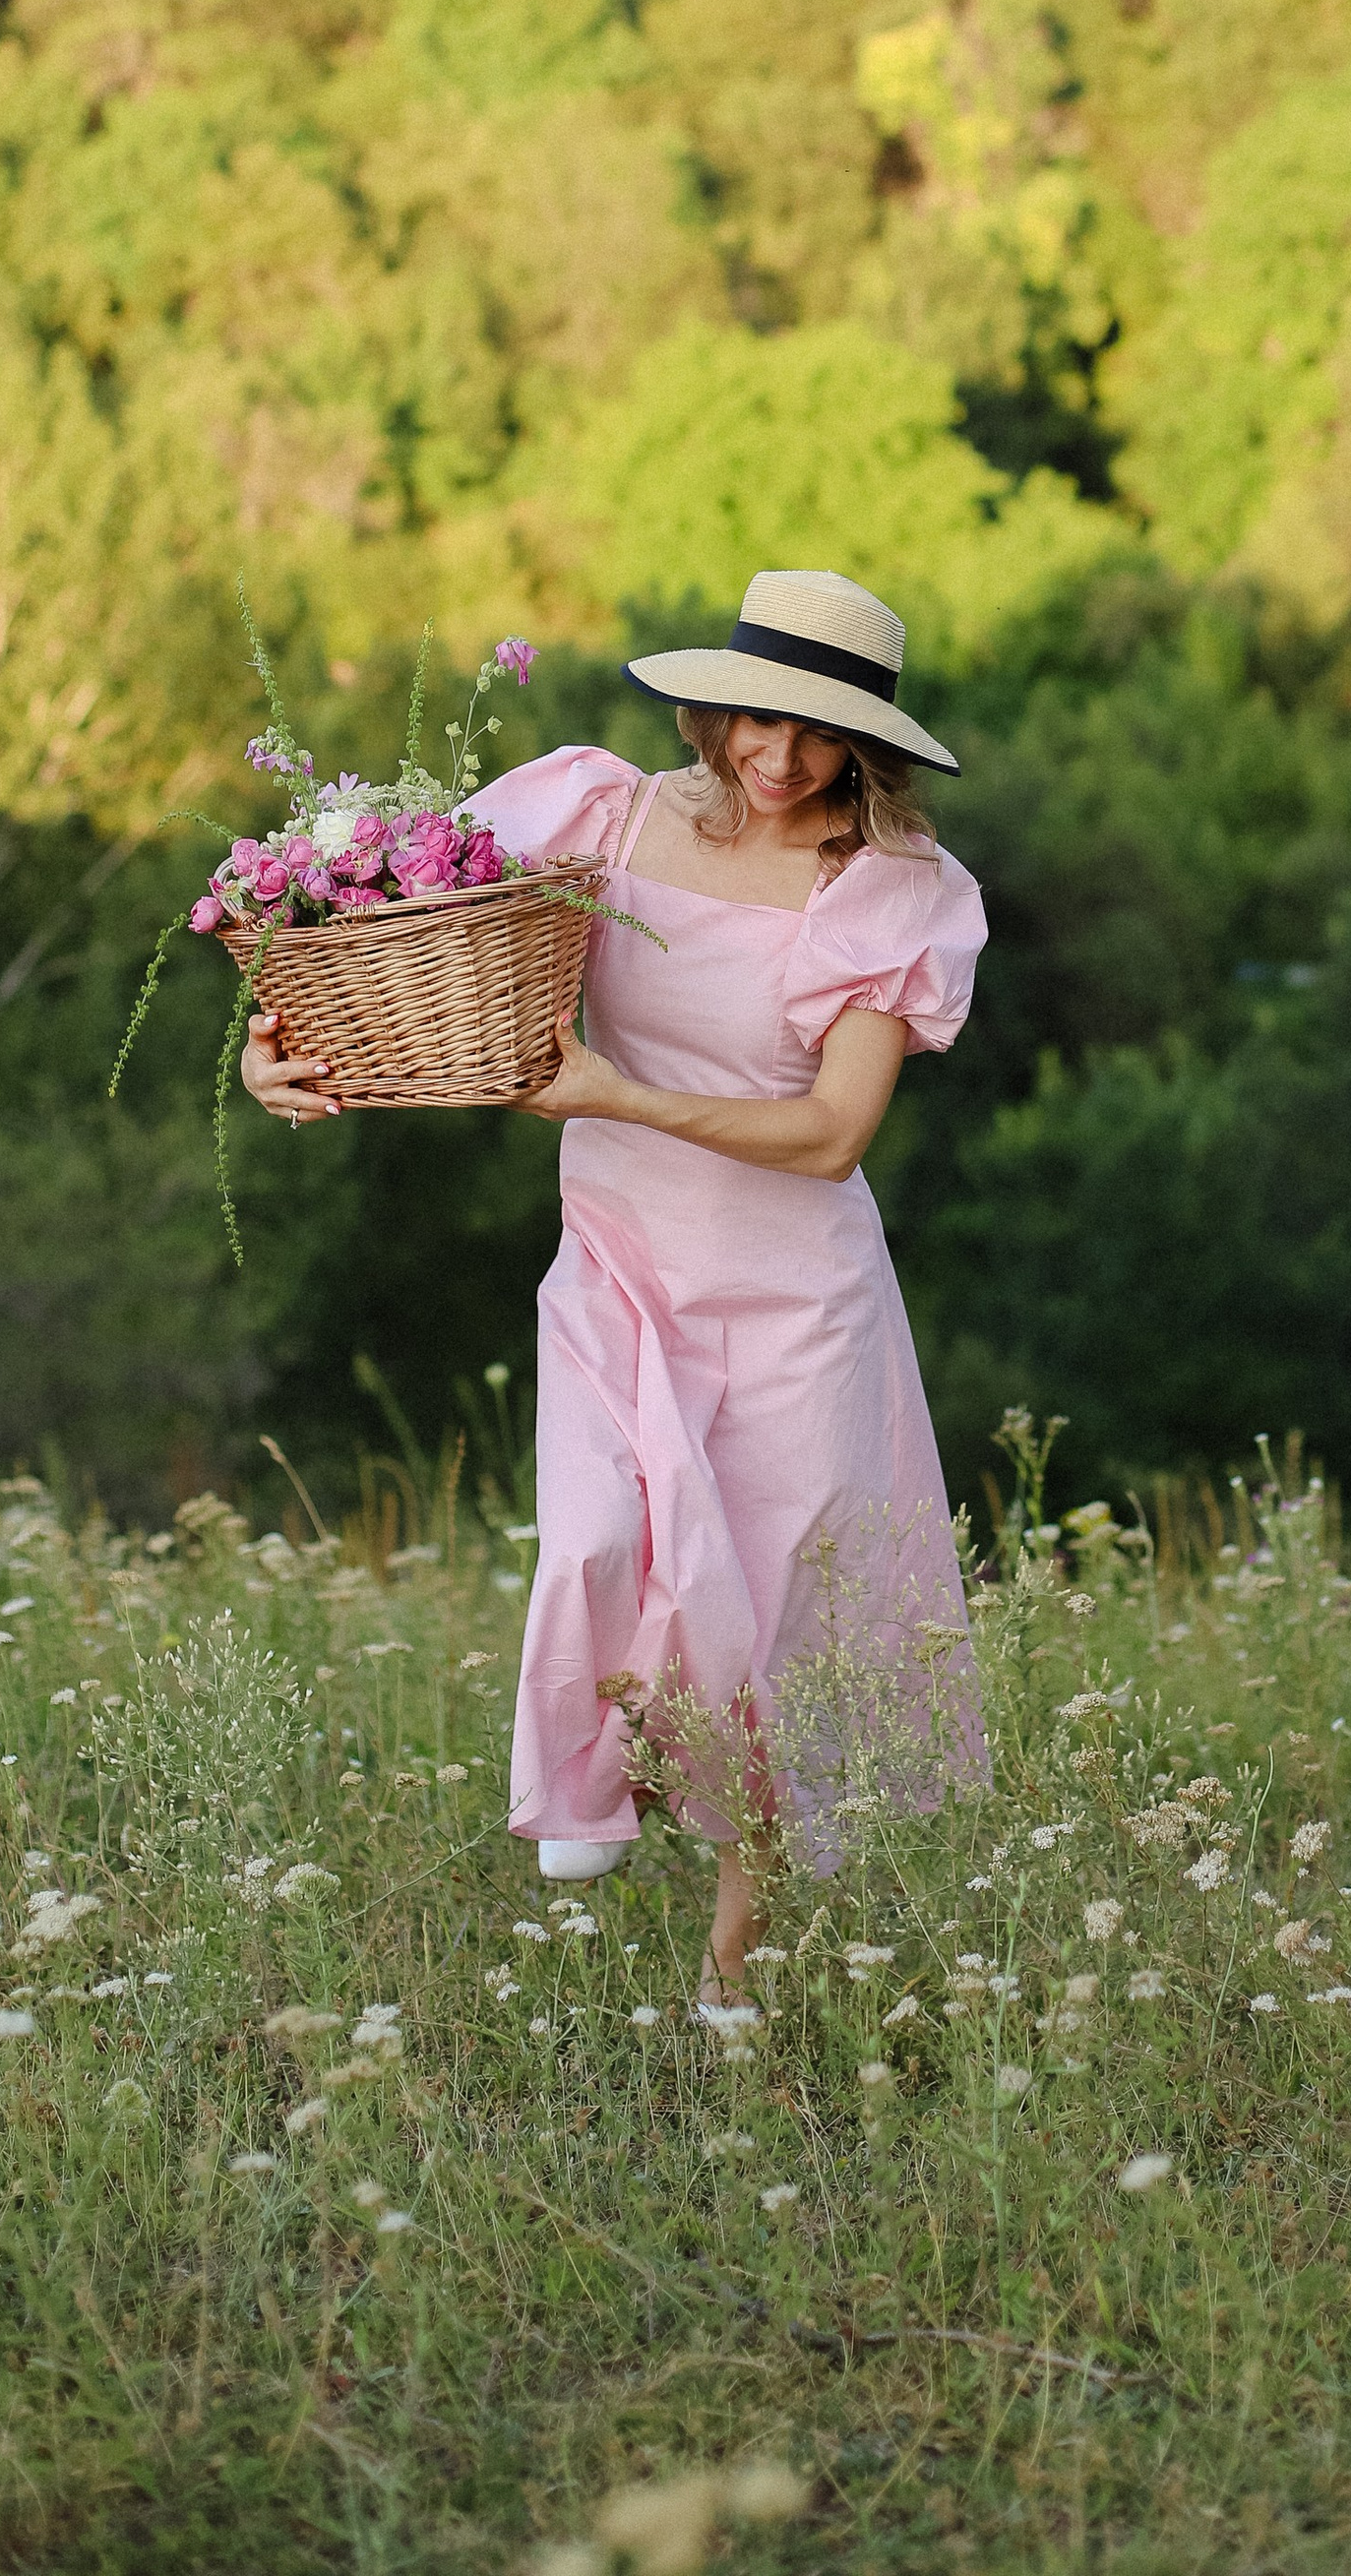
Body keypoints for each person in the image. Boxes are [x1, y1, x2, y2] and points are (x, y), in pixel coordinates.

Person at [239, 568, 988, 1999]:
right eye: (755, 720)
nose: (776, 758)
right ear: (716, 706)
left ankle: (732, 1982)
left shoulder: (891, 889)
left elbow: (831, 1137)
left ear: (864, 748)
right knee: (590, 1544)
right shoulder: (603, 811)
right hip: (621, 1265)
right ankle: (597, 1781)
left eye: (817, 736)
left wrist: (610, 1091)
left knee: (773, 1637)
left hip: (795, 1306)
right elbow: (394, 925)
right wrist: (277, 1037)